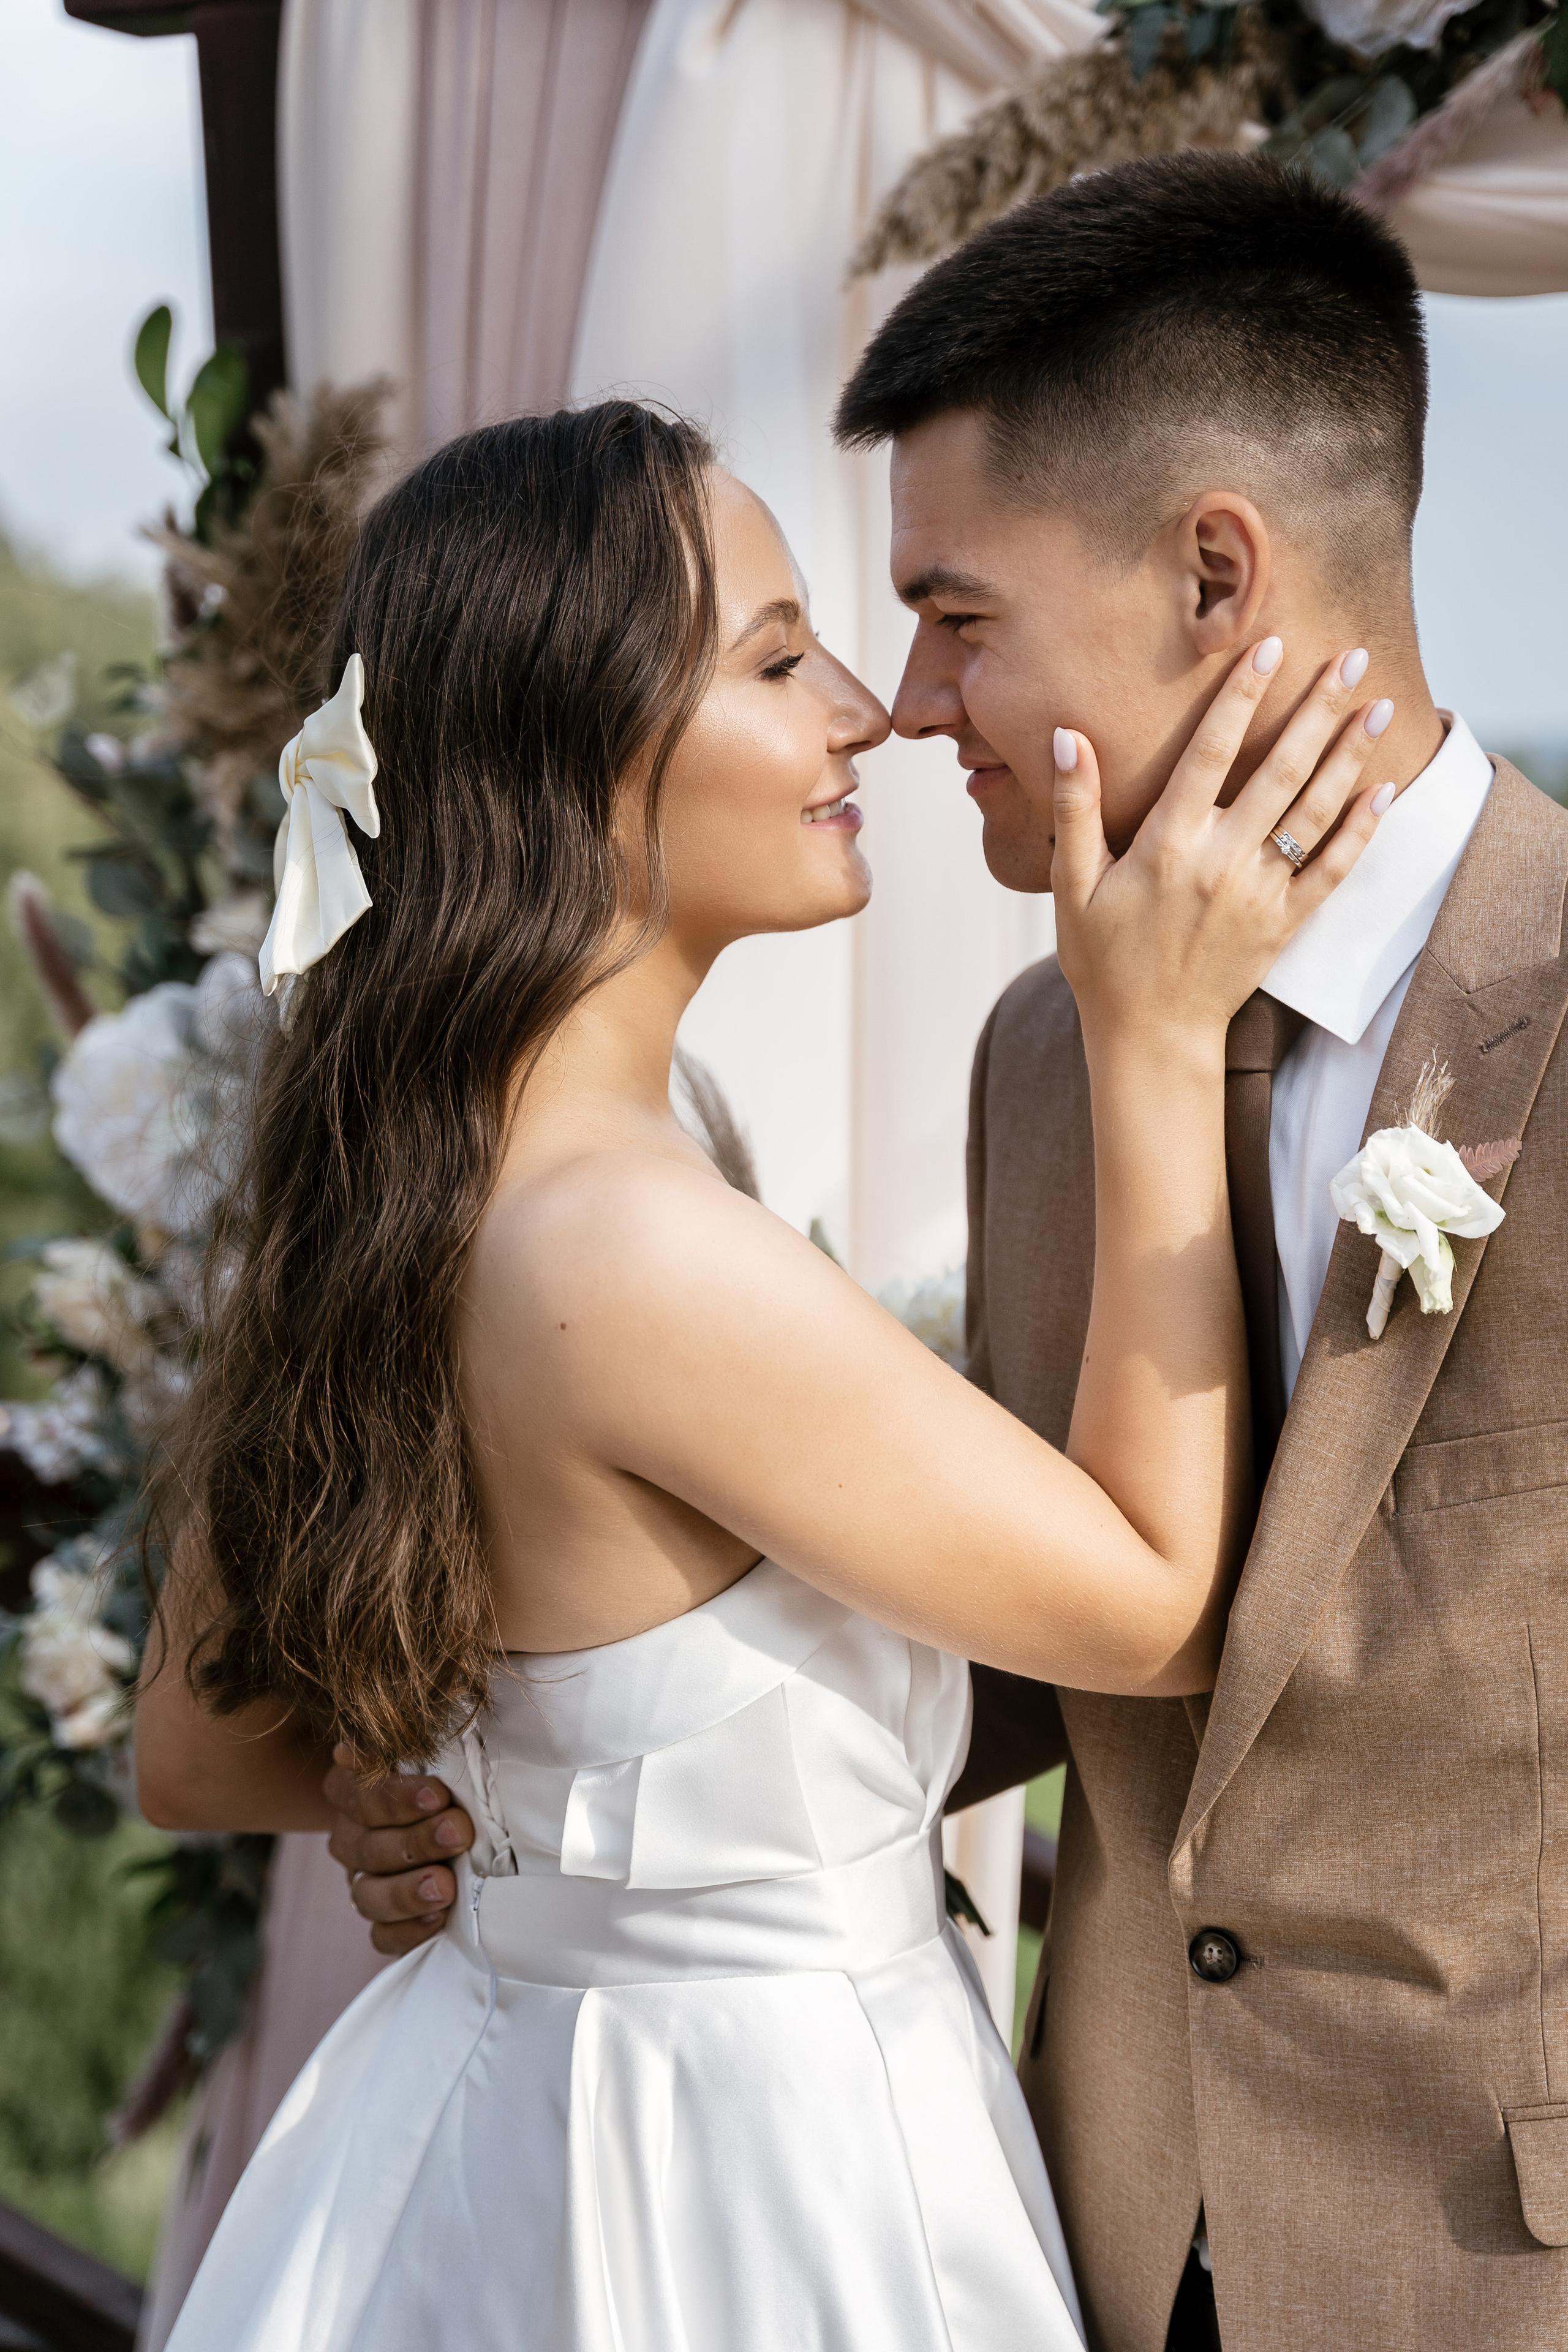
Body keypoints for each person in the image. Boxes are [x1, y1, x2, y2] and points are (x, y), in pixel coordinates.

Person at [330, 156, 1568, 2351]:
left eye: (955, 613)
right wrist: (530, 1773)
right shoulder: (1044, 1055)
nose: (905, 706)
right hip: (1082, 2222)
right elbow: (1043, 1611)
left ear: (1215, 572)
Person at [134, 396, 1382, 2351]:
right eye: (780, 657)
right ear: (576, 750)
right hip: (734, 2177)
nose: (869, 711)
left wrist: (469, 1806)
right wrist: (1152, 1033)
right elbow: (1147, 1605)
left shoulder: (402, 1146)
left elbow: (197, 1748)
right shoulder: (621, 1243)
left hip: (505, 2105)